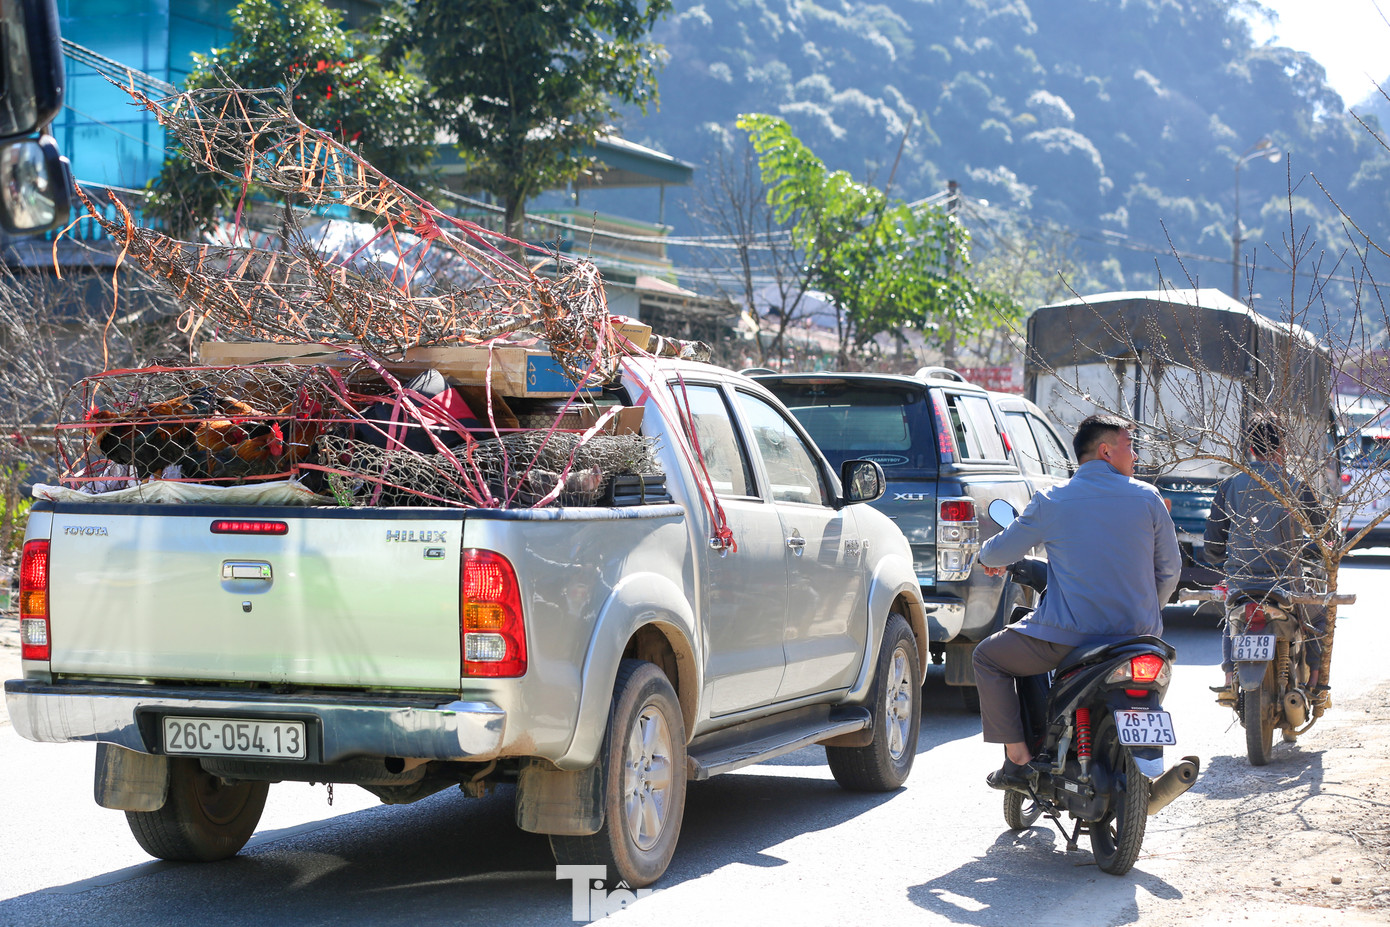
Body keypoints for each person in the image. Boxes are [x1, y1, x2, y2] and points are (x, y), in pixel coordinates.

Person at [972, 413, 1182, 789]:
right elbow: (1169, 571)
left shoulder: (1053, 499)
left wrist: (986, 557)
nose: (1135, 455)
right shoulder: (1148, 498)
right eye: (1130, 446)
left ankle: (1018, 758)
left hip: (1069, 640)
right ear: (1105, 451)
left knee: (987, 657)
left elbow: (1000, 551)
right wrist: (1146, 613)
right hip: (1139, 640)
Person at [1203, 418, 1328, 705]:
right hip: (1286, 583)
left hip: (1242, 581)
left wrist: (1223, 561)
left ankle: (1228, 679)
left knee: (1233, 617)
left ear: (1250, 448)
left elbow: (1213, 543)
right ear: (1283, 447)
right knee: (1317, 618)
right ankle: (1314, 681)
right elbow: (1324, 535)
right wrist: (1313, 551)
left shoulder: (1230, 485)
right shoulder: (1296, 485)